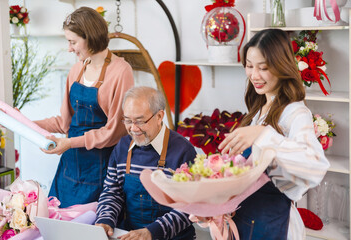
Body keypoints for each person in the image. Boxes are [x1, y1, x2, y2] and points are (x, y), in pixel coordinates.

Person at [218, 29, 330, 239]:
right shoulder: (259, 109)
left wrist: (263, 134)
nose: (254, 75)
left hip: (272, 223)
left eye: (263, 68)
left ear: (281, 66)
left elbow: (316, 165)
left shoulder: (295, 113)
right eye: (249, 66)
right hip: (244, 220)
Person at [34, 7, 134, 208]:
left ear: (89, 37)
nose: (69, 48)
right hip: (70, 166)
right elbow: (64, 123)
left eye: (73, 42)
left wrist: (69, 143)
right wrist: (24, 122)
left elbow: (114, 132)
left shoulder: (121, 72)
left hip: (103, 167)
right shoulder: (77, 69)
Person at [95, 86, 196, 240]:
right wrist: (105, 220)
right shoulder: (122, 148)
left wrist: (152, 232)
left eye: (140, 121)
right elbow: (112, 192)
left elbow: (190, 206)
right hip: (129, 235)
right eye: (127, 120)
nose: (133, 129)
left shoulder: (184, 151)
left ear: (159, 116)